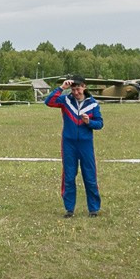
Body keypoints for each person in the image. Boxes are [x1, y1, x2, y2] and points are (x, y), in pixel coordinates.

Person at [45, 75, 104, 217]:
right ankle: (69, 209)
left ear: (84, 87)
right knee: (69, 176)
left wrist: (89, 121)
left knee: (90, 176)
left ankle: (94, 209)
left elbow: (100, 124)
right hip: (69, 144)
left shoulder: (93, 104)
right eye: (73, 89)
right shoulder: (66, 101)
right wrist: (61, 88)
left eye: (78, 89)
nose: (75, 92)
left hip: (85, 144)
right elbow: (49, 101)